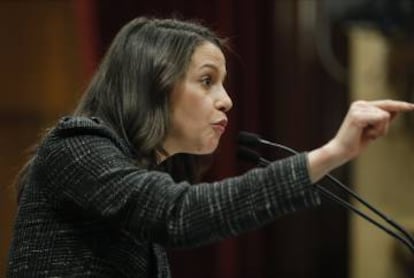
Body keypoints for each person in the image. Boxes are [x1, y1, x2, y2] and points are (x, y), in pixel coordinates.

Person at [6, 16, 414, 277]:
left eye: (223, 83)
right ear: (154, 85)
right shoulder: (76, 147)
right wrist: (331, 153)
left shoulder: (142, 177)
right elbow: (181, 214)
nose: (226, 100)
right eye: (206, 80)